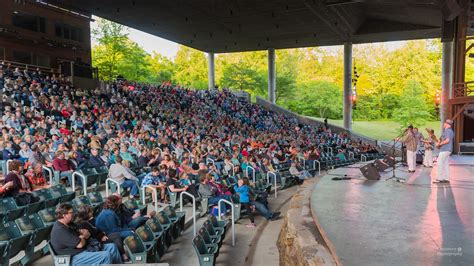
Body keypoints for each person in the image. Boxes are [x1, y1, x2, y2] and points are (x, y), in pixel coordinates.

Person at [50, 203, 122, 265]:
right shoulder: (59, 230)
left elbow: (86, 232)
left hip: (83, 249)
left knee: (112, 247)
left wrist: (82, 236)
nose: (73, 214)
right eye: (71, 213)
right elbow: (80, 244)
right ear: (64, 215)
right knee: (105, 255)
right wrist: (83, 236)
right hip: (73, 258)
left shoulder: (69, 223)